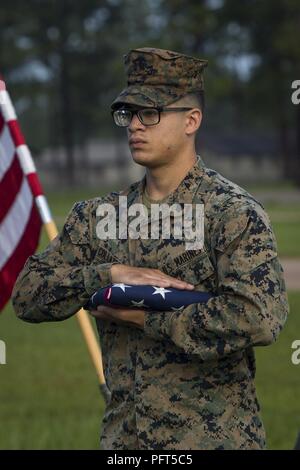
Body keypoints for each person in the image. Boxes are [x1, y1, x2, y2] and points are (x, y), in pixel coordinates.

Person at [12, 47, 289, 450]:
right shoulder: (98, 216)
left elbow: (258, 317)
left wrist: (146, 318)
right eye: (128, 114)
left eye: (151, 113)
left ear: (192, 120)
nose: (135, 126)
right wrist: (109, 275)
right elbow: (26, 295)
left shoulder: (231, 213)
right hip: (125, 443)